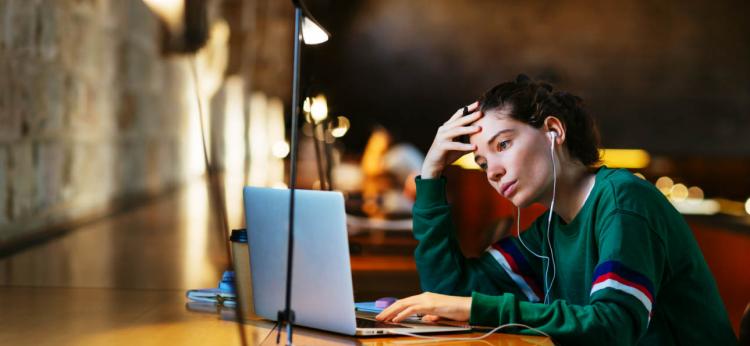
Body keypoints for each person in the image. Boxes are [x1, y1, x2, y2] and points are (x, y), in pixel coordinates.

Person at [376, 75, 737, 345]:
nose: (494, 171)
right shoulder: (549, 228)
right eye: (483, 163)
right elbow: (449, 293)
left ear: (553, 131)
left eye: (503, 144)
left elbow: (613, 325)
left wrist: (477, 308)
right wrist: (432, 173)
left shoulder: (624, 201)